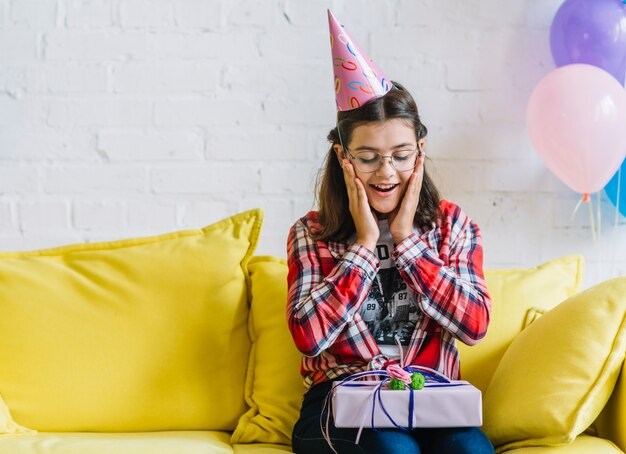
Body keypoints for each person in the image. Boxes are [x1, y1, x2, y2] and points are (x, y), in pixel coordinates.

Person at [286, 10, 494, 454]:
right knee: (394, 451)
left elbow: (475, 326)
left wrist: (408, 242)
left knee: (471, 450)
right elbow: (308, 336)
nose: (387, 172)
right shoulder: (311, 232)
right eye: (368, 157)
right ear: (343, 156)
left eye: (400, 155)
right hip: (341, 400)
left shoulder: (454, 226)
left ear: (420, 152)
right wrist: (363, 246)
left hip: (431, 397)